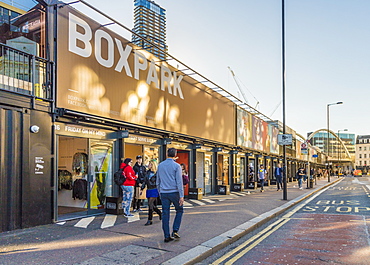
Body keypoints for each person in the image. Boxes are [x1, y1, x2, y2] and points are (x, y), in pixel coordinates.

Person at [156, 148, 184, 243]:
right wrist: (181, 195)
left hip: (164, 193)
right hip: (175, 192)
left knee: (165, 214)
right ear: (175, 154)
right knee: (179, 210)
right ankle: (175, 230)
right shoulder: (177, 166)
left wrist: (160, 192)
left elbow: (158, 181)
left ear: (167, 154)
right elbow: (179, 182)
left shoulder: (160, 165)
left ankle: (166, 236)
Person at [141, 159, 161, 226]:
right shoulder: (147, 172)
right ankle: (160, 213)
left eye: (150, 164)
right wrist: (142, 187)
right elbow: (144, 181)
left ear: (152, 165)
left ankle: (150, 219)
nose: (148, 165)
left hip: (154, 189)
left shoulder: (157, 173)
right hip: (149, 189)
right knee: (152, 205)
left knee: (150, 204)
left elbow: (159, 182)